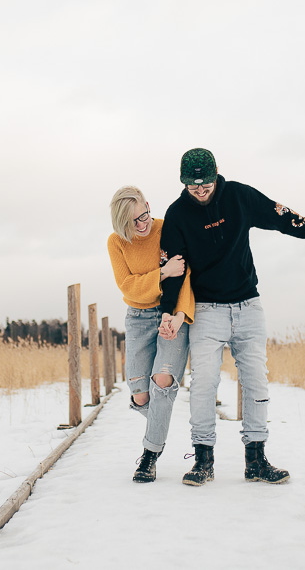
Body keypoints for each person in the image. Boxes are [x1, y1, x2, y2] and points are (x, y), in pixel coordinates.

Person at [158, 148, 305, 486]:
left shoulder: (238, 196)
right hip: (206, 311)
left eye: (206, 186)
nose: (201, 192)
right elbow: (174, 269)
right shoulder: (176, 215)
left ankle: (257, 459)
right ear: (184, 183)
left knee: (256, 380)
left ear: (217, 176)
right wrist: (168, 311)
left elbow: (281, 215)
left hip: (248, 306)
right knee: (204, 384)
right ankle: (203, 459)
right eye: (193, 187)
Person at [107, 185, 195, 483]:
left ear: (148, 205)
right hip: (137, 317)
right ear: (122, 223)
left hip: (170, 316)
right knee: (140, 393)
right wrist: (161, 273)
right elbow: (128, 285)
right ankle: (162, 417)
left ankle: (149, 456)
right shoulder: (116, 243)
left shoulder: (167, 228)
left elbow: (186, 274)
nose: (143, 224)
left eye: (144, 215)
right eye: (134, 221)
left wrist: (179, 315)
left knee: (162, 380)